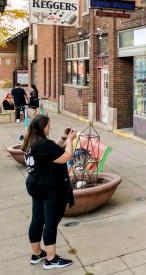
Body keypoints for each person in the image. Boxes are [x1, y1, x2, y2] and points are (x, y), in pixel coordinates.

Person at [21, 115, 77, 269]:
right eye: (48, 125)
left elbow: (53, 151)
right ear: (42, 127)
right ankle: (51, 259)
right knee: (50, 222)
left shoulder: (31, 142)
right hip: (49, 187)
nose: (49, 127)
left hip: (35, 185)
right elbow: (66, 156)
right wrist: (71, 140)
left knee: (37, 219)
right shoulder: (43, 145)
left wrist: (63, 137)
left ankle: (37, 253)